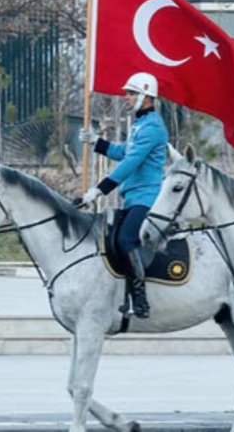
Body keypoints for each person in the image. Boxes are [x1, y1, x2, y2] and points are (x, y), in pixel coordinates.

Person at [78, 72, 168, 319]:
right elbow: (123, 152)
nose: (126, 98)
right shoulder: (140, 125)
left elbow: (130, 162)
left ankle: (140, 299)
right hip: (132, 198)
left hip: (147, 198)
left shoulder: (153, 127)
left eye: (131, 93)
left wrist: (99, 190)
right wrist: (97, 143)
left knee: (126, 240)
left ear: (146, 97)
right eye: (128, 93)